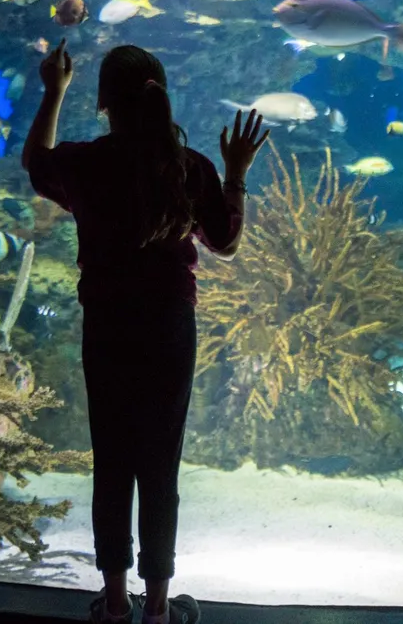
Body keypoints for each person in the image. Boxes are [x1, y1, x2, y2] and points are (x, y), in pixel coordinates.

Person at [23, 41, 269, 624]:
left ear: (104, 101)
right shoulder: (190, 168)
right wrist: (235, 174)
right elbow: (227, 242)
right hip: (168, 329)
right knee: (160, 464)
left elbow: (37, 164)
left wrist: (53, 91)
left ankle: (113, 604)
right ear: (163, 94)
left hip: (107, 326)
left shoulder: (87, 163)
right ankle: (158, 607)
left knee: (112, 462)